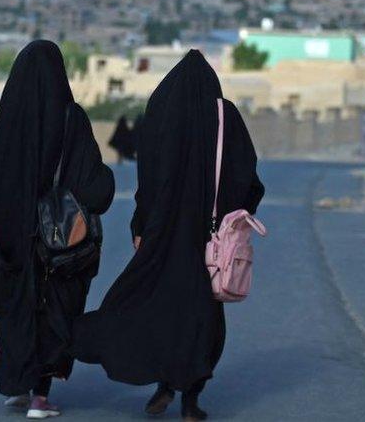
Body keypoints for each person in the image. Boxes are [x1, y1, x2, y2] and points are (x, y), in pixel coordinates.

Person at [74, 50, 264, 421]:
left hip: (163, 237)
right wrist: (234, 214)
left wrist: (141, 227)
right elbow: (247, 179)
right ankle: (191, 402)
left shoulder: (161, 114)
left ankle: (162, 385)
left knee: (159, 310)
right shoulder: (225, 117)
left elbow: (148, 183)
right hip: (209, 242)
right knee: (201, 319)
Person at [0, 40, 115, 419]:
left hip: (15, 246)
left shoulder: (11, 119)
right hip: (60, 246)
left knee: (17, 309)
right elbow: (95, 188)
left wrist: (12, 223)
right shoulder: (72, 119)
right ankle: (40, 396)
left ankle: (18, 385)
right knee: (55, 313)